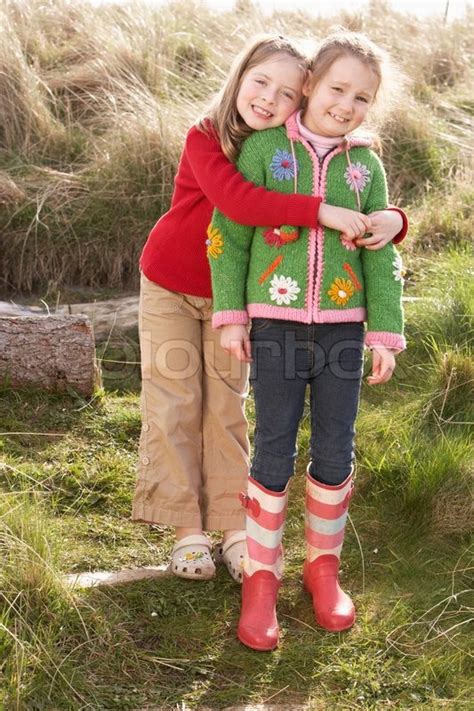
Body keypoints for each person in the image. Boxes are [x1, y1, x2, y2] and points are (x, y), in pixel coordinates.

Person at [132, 34, 408, 584]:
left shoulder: (293, 149)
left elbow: (364, 201)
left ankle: (237, 527)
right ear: (239, 77)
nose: (267, 98)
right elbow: (239, 205)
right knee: (174, 399)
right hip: (171, 282)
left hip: (236, 296)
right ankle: (186, 528)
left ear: (300, 95)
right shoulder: (207, 136)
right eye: (259, 82)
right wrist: (322, 213)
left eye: (284, 92)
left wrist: (395, 219)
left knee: (227, 405)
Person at [208, 31, 406, 648]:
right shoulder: (266, 150)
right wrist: (234, 315)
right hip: (276, 323)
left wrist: (384, 333)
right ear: (311, 85)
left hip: (345, 331)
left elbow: (381, 259)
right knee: (272, 445)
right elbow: (230, 232)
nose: (347, 105)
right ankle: (262, 577)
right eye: (338, 89)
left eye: (363, 98)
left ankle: (322, 568)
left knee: (335, 445)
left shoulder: (364, 166)